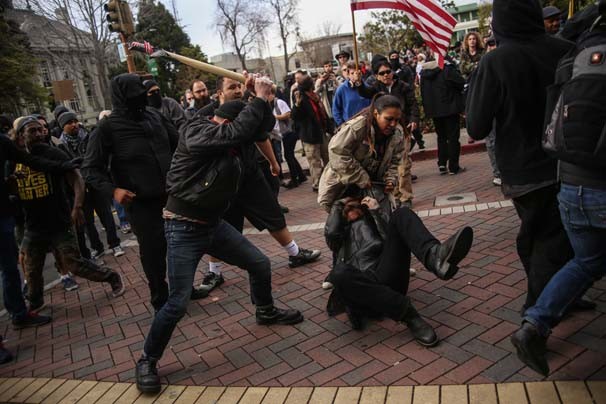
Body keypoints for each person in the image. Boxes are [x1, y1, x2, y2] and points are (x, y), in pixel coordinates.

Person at [135, 91, 304, 394]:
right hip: (182, 228)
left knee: (259, 264)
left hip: (213, 225)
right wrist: (258, 99)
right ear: (227, 120)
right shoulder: (198, 131)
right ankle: (147, 360)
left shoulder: (235, 139)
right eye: (241, 127)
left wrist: (260, 97)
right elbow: (239, 130)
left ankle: (265, 310)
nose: (248, 137)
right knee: (177, 301)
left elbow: (259, 128)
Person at [466, 0, 575, 313]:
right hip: (567, 161)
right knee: (552, 235)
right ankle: (561, 294)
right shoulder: (565, 49)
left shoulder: (496, 62)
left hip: (522, 169)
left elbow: (476, 124)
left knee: (540, 238)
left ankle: (539, 313)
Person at [191, 75, 321, 294]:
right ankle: (215, 272)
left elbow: (262, 136)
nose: (237, 90)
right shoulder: (205, 116)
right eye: (231, 87)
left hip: (250, 173)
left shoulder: (248, 109)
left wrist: (273, 163)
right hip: (221, 180)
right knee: (219, 225)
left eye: (238, 86)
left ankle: (295, 253)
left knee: (273, 215)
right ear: (220, 93)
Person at [83, 74, 181, 312]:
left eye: (142, 93)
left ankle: (182, 289)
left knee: (180, 246)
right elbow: (90, 168)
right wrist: (113, 190)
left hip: (172, 196)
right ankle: (160, 299)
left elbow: (178, 144)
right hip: (141, 204)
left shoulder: (155, 116)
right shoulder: (107, 128)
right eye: (134, 95)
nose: (141, 98)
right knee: (153, 252)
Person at [325, 196, 473, 345]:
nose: (350, 210)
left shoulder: (372, 223)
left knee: (401, 213)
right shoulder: (339, 240)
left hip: (385, 275)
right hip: (361, 290)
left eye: (353, 206)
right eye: (346, 210)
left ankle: (434, 257)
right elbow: (330, 232)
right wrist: (338, 203)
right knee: (338, 273)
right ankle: (410, 316)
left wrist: (376, 212)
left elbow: (389, 237)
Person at [12, 117, 125, 312]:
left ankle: (112, 277)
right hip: (33, 225)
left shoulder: (54, 154)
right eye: (33, 131)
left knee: (74, 264)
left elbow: (76, 179)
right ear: (21, 135)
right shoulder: (15, 160)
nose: (39, 134)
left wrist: (77, 206)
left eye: (41, 130)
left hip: (58, 221)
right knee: (31, 267)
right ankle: (36, 301)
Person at [0, 121, 78, 363]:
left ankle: (19, 314)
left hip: (3, 215)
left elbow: (31, 161)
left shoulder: (2, 143)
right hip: (14, 217)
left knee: (10, 268)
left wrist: (64, 165)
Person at [57, 110, 125, 260]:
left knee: (106, 215)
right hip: (78, 187)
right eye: (69, 123)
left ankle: (114, 244)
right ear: (62, 126)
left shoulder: (89, 137)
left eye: (75, 121)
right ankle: (97, 247)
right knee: (87, 221)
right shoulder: (60, 144)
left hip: (95, 182)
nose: (74, 125)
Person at [318, 94, 404, 212]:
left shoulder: (397, 134)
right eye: (389, 119)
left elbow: (396, 160)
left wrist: (390, 179)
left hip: (373, 187)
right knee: (344, 220)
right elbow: (337, 151)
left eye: (397, 120)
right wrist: (361, 177)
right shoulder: (357, 127)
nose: (393, 124)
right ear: (376, 114)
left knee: (381, 219)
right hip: (343, 184)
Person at [352, 55, 419, 207]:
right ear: (376, 76)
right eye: (381, 73)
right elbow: (364, 92)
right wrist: (358, 82)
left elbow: (413, 104)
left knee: (404, 163)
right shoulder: (376, 88)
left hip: (402, 127)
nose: (386, 75)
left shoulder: (403, 86)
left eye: (388, 71)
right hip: (384, 131)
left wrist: (414, 120)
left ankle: (406, 197)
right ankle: (395, 195)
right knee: (390, 164)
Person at [420, 57, 466, 175]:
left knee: (441, 137)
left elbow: (423, 93)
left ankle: (442, 164)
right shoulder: (447, 69)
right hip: (449, 108)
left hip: (435, 111)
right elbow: (461, 83)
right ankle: (453, 166)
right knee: (452, 138)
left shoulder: (424, 74)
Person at [291, 75, 329, 192]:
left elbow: (321, 112)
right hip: (309, 135)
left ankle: (329, 180)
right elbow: (294, 116)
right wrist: (297, 104)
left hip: (321, 131)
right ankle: (317, 184)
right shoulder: (300, 97)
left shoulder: (314, 95)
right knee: (314, 161)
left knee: (327, 157)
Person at [269, 86, 306, 189]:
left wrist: (275, 117)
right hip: (281, 134)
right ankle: (301, 176)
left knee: (288, 156)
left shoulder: (279, 102)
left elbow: (288, 114)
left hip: (289, 132)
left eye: (268, 95)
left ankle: (295, 179)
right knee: (290, 156)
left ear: (272, 94)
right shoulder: (269, 105)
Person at [332, 61, 372, 127]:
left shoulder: (367, 88)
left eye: (357, 73)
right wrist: (342, 125)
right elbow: (336, 110)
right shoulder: (341, 89)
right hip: (349, 126)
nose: (355, 76)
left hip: (366, 125)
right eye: (352, 73)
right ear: (348, 74)